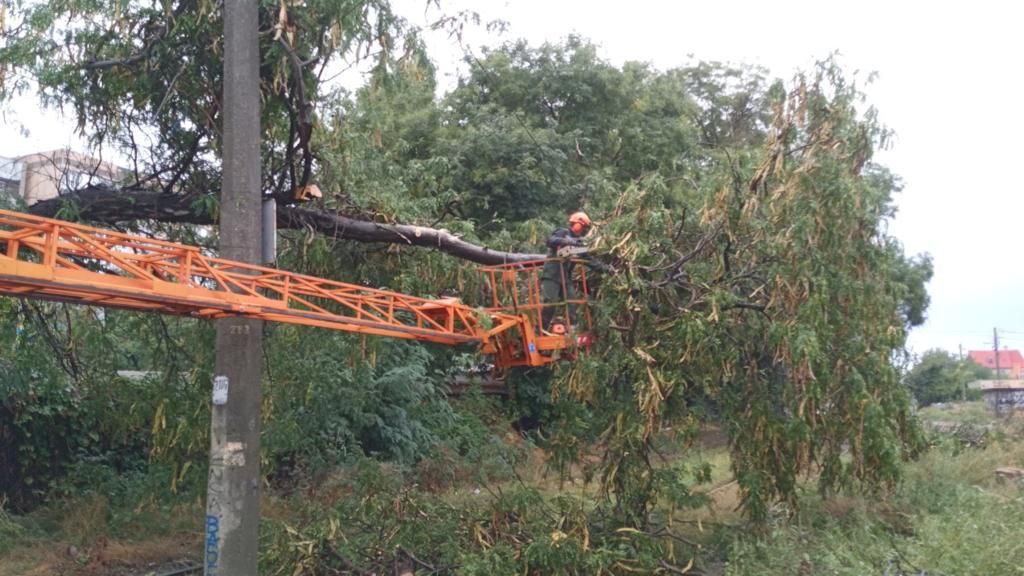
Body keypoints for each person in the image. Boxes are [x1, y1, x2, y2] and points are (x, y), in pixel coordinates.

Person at [540, 212, 598, 332]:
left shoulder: (579, 243)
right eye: (583, 227)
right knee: (551, 301)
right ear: (577, 224)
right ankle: (541, 329)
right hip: (552, 274)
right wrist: (567, 242)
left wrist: (606, 268)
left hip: (565, 277)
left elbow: (588, 259)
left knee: (572, 300)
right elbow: (550, 241)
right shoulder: (563, 232)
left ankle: (573, 330)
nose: (583, 230)